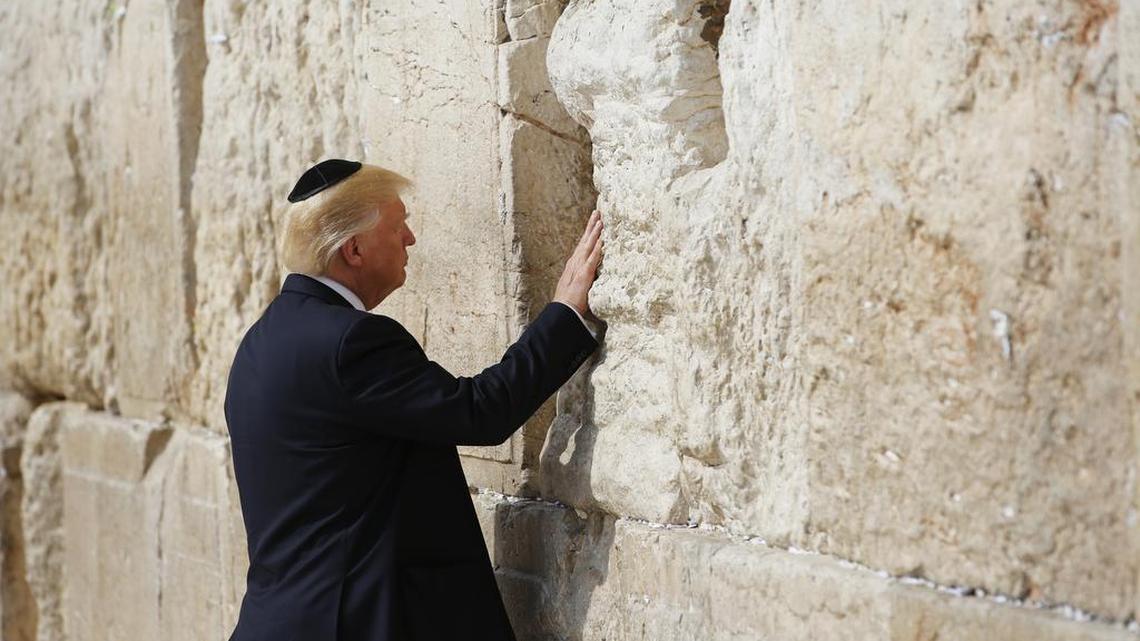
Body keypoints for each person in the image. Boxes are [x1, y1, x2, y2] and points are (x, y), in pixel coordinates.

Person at [224, 159, 604, 641]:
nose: (410, 239)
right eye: (398, 224)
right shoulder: (350, 344)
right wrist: (566, 313)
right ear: (355, 248)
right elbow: (479, 412)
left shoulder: (259, 343)